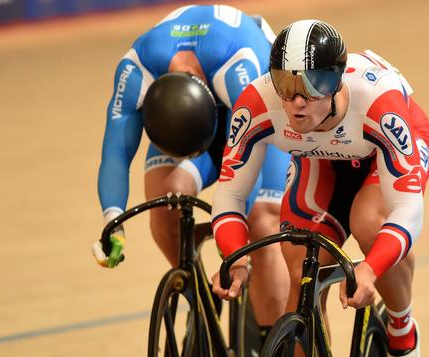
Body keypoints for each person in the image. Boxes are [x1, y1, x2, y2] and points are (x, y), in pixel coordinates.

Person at [211, 19, 429, 357]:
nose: (298, 101)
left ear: (336, 82)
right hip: (320, 162)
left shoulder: (378, 103)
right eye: (286, 84)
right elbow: (230, 196)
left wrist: (370, 270)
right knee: (302, 275)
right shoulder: (257, 102)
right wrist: (235, 256)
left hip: (383, 156)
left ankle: (402, 329)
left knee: (368, 222)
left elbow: (407, 208)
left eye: (313, 85)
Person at [91, 4, 291, 337]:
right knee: (164, 200)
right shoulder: (136, 69)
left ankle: (272, 339)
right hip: (188, 107)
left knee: (262, 221)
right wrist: (112, 222)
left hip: (256, 115)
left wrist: (237, 255)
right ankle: (198, 297)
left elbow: (249, 165)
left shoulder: (241, 67)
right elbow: (114, 152)